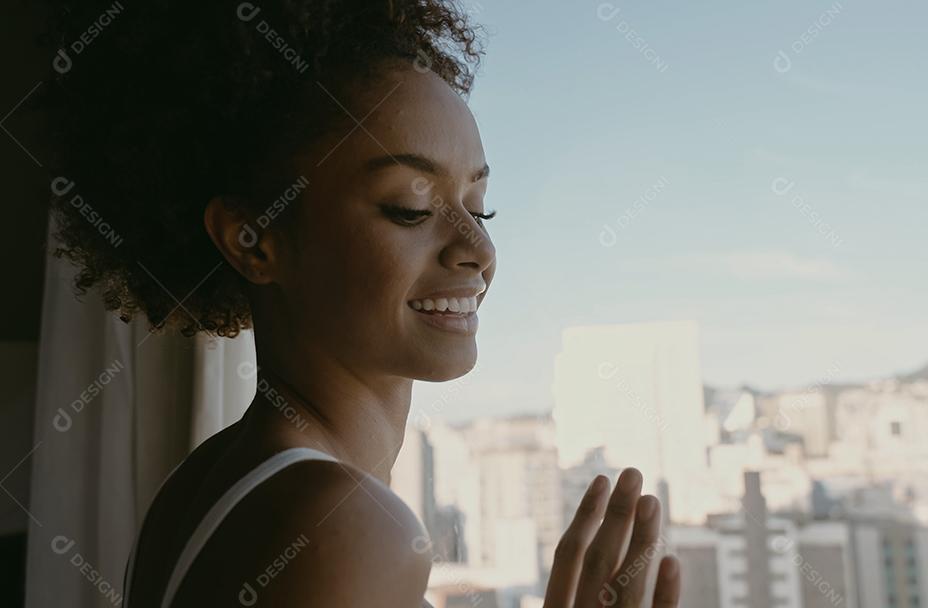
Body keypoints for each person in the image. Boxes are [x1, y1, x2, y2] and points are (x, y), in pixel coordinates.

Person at [38, 0, 681, 605]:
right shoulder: (344, 529)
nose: (477, 248)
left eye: (481, 207)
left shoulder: (199, 487)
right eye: (411, 208)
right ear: (254, 240)